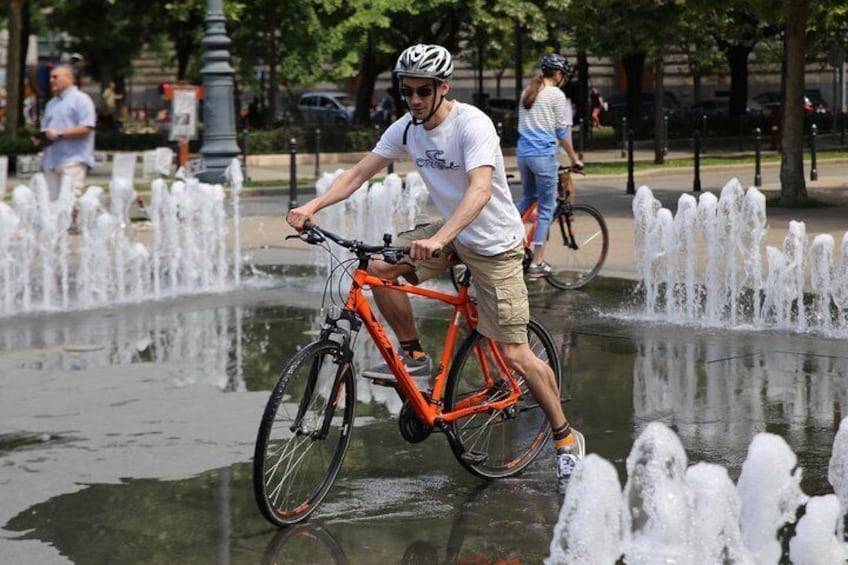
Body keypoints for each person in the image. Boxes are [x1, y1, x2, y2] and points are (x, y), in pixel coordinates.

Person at [287, 43, 585, 489]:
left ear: (443, 88)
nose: (414, 100)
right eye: (405, 91)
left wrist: (440, 239)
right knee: (373, 268)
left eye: (423, 91)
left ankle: (564, 437)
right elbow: (359, 173)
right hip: (450, 234)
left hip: (493, 245)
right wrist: (312, 206)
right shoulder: (407, 129)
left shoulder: (472, 124)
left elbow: (480, 190)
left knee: (514, 353)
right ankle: (415, 357)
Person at [515, 53, 583, 278]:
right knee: (546, 208)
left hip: (523, 154)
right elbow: (561, 132)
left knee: (528, 198)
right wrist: (574, 158)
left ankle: (500, 231)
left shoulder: (528, 91)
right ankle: (537, 262)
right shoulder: (556, 94)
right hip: (542, 156)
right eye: (564, 74)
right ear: (558, 73)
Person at [39, 64, 96, 201]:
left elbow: (87, 127)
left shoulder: (81, 99)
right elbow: (46, 129)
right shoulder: (51, 103)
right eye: (50, 77)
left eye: (55, 77)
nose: (51, 80)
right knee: (50, 203)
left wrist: (59, 134)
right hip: (51, 160)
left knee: (69, 203)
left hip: (72, 160)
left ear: (69, 78)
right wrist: (40, 138)